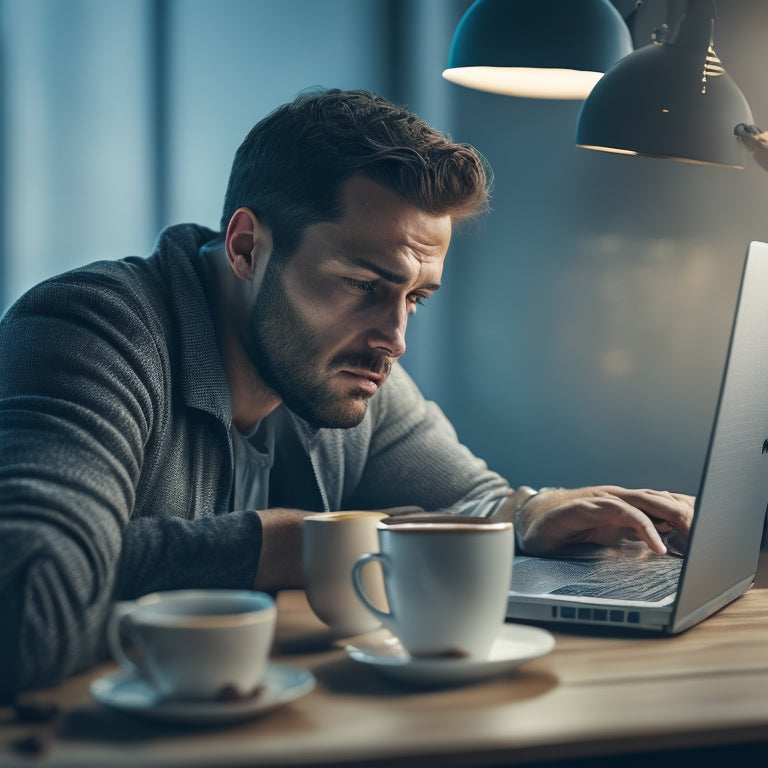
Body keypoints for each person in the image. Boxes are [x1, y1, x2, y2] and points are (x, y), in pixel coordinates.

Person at [0, 88, 693, 698]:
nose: (393, 338)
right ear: (246, 247)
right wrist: (282, 545)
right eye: (365, 286)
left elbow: (471, 501)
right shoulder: (90, 330)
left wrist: (533, 511)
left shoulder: (346, 368)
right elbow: (24, 600)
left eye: (415, 298)